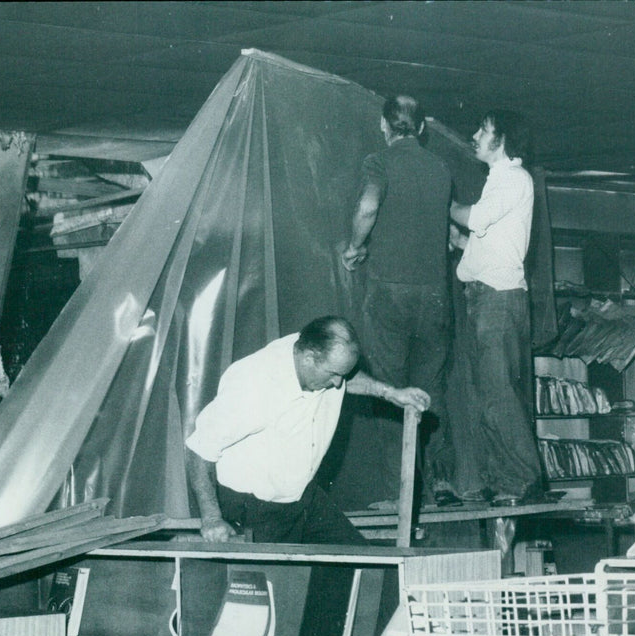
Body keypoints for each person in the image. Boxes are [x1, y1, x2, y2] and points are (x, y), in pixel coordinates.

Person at [185, 316, 430, 543]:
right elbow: (199, 450)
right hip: (253, 509)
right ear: (309, 358)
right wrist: (212, 519)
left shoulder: (317, 358)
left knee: (362, 567)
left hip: (303, 497)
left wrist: (390, 393)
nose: (338, 384)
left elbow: (346, 376)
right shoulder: (253, 385)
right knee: (280, 586)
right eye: (334, 375)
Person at [342, 94, 461, 508]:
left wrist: (355, 246)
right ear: (422, 128)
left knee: (392, 388)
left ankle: (404, 495)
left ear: (384, 125)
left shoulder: (379, 162)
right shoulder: (441, 168)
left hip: (390, 291)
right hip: (435, 296)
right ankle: (442, 482)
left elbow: (368, 205)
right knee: (433, 387)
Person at [449, 109, 544, 505]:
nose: (475, 135)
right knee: (486, 394)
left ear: (500, 139)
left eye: (483, 130)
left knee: (497, 394)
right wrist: (459, 243)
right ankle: (505, 479)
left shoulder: (513, 179)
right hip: (486, 298)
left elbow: (478, 218)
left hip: (497, 301)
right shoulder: (499, 182)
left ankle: (523, 479)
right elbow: (488, 242)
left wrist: (446, 205)